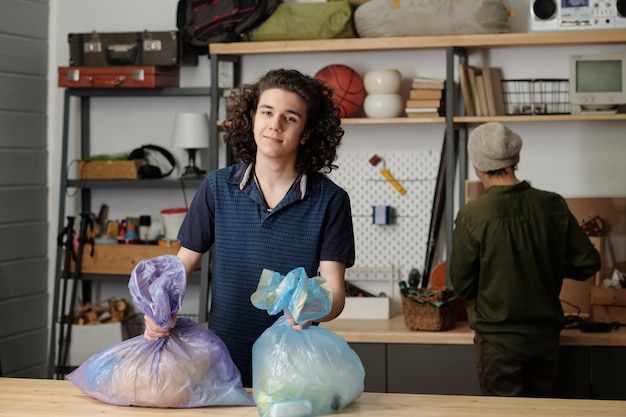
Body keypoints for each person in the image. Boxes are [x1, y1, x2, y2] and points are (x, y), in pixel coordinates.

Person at [143, 68, 356, 387]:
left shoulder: (331, 201)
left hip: (292, 368)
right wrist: (157, 309)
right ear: (252, 118)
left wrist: (311, 308)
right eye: (267, 112)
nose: (275, 125)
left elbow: (335, 292)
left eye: (290, 118)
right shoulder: (217, 187)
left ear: (306, 133)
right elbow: (183, 264)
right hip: (221, 365)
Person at [448, 122, 601, 397]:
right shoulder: (553, 204)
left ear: (477, 167)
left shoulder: (473, 215)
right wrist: (544, 264)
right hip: (546, 342)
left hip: (497, 343)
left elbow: (462, 286)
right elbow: (588, 263)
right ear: (514, 160)